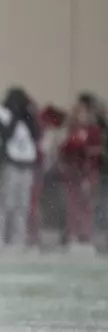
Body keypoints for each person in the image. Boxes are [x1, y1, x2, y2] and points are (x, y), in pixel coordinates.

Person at [0, 88, 41, 251]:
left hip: (26, 166)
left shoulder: (27, 117)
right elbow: (4, 135)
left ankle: (18, 240)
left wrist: (28, 115)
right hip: (10, 165)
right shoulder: (1, 114)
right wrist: (15, 116)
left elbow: (36, 135)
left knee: (22, 205)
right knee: (5, 203)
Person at [59, 95, 103, 252]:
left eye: (82, 112)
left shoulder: (93, 130)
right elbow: (63, 150)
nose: (79, 115)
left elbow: (97, 150)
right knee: (72, 205)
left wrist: (84, 148)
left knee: (86, 204)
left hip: (88, 171)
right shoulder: (71, 129)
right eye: (77, 112)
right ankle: (72, 235)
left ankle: (85, 236)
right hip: (72, 172)